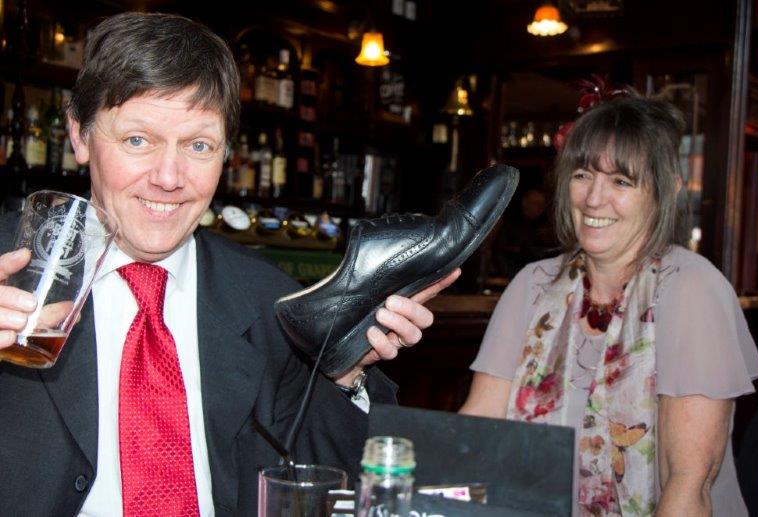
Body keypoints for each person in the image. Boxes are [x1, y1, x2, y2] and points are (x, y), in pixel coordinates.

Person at [0, 12, 459, 516]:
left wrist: (344, 374)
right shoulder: (7, 268)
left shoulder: (271, 302)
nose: (169, 177)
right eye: (138, 140)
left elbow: (324, 483)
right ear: (80, 136)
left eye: (198, 146)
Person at [460, 94, 758, 516]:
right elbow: (477, 426)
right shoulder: (534, 284)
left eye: (621, 181)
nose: (593, 199)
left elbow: (688, 485)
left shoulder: (691, 289)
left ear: (666, 191)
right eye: (583, 175)